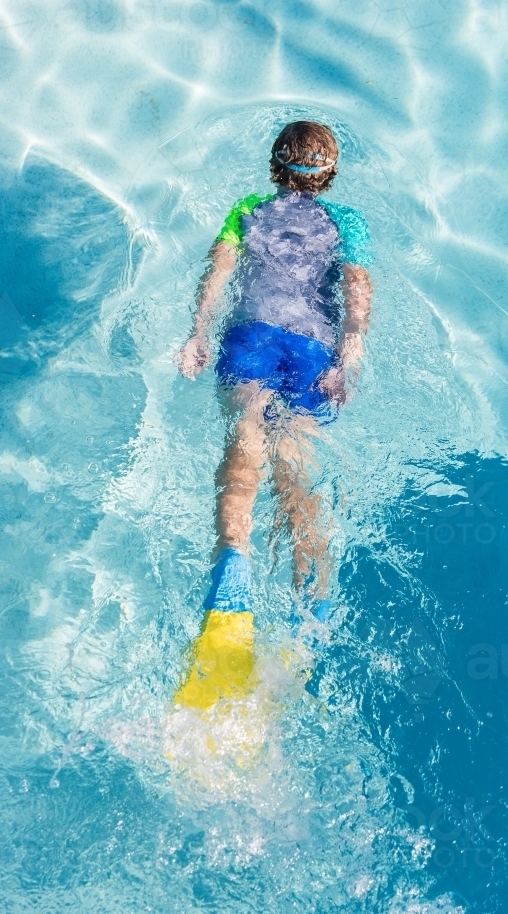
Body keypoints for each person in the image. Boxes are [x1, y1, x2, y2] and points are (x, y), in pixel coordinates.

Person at [173, 121, 372, 708]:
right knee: (295, 472)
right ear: (328, 175)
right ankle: (312, 621)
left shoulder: (248, 208)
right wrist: (346, 362)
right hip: (311, 353)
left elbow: (218, 274)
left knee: (244, 448)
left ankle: (231, 590)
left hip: (252, 339)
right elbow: (357, 300)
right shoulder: (348, 224)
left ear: (273, 166)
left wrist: (196, 334)